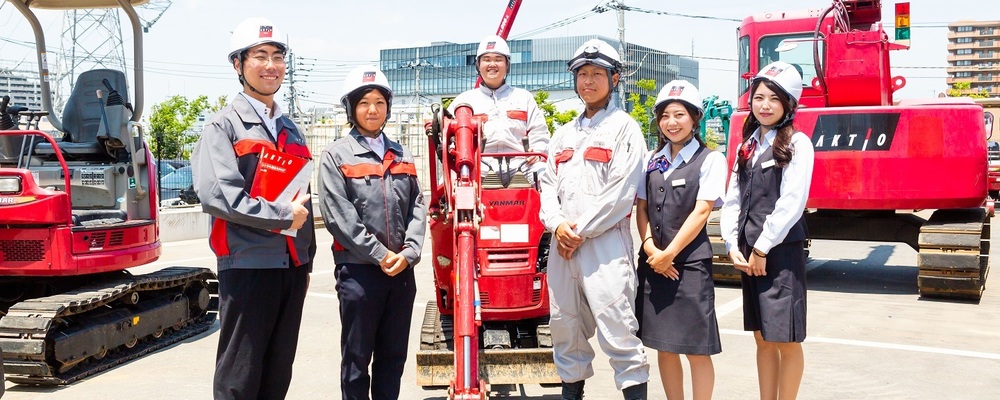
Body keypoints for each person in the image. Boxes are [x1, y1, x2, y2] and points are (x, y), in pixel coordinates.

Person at [192, 17, 315, 400]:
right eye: (260, 56)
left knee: (277, 370)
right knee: (240, 373)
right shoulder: (223, 126)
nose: (271, 65)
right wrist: (281, 218)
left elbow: (302, 198)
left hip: (290, 268)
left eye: (278, 56)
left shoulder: (290, 129)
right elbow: (220, 196)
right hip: (247, 264)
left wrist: (305, 263)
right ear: (238, 64)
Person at [538, 38, 650, 400]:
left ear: (614, 79)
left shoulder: (625, 129)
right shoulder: (564, 134)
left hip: (604, 246)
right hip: (563, 247)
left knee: (618, 329)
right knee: (565, 327)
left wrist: (578, 231)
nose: (588, 81)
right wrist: (557, 225)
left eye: (597, 74)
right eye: (582, 74)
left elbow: (621, 192)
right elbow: (547, 186)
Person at [317, 65, 426, 400]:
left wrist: (408, 253)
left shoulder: (403, 153)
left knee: (393, 358)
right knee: (357, 359)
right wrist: (381, 255)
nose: (372, 109)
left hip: (401, 274)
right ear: (351, 108)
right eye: (364, 102)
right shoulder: (336, 156)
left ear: (388, 107)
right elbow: (339, 217)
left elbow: (417, 207)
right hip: (359, 273)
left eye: (379, 101)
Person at [719, 60, 815, 400]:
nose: (764, 105)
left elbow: (791, 201)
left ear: (789, 104)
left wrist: (762, 248)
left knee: (785, 339)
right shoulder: (747, 145)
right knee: (761, 336)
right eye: (759, 97)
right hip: (749, 254)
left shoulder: (797, 144)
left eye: (774, 99)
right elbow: (732, 196)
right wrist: (731, 243)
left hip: (779, 253)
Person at [635, 80, 726, 400]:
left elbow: (702, 212)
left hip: (688, 266)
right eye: (665, 116)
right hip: (654, 263)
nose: (671, 123)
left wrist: (668, 254)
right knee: (665, 346)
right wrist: (650, 250)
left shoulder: (710, 159)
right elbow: (642, 207)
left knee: (697, 349)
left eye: (680, 115)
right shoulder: (651, 159)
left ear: (695, 119)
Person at [448, 35, 549, 181]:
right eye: (487, 59)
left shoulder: (523, 97)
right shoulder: (464, 101)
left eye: (498, 59)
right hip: (479, 168)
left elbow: (539, 131)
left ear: (507, 64)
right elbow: (449, 136)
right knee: (452, 184)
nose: (492, 64)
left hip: (521, 164)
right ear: (478, 65)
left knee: (546, 175)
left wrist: (537, 150)